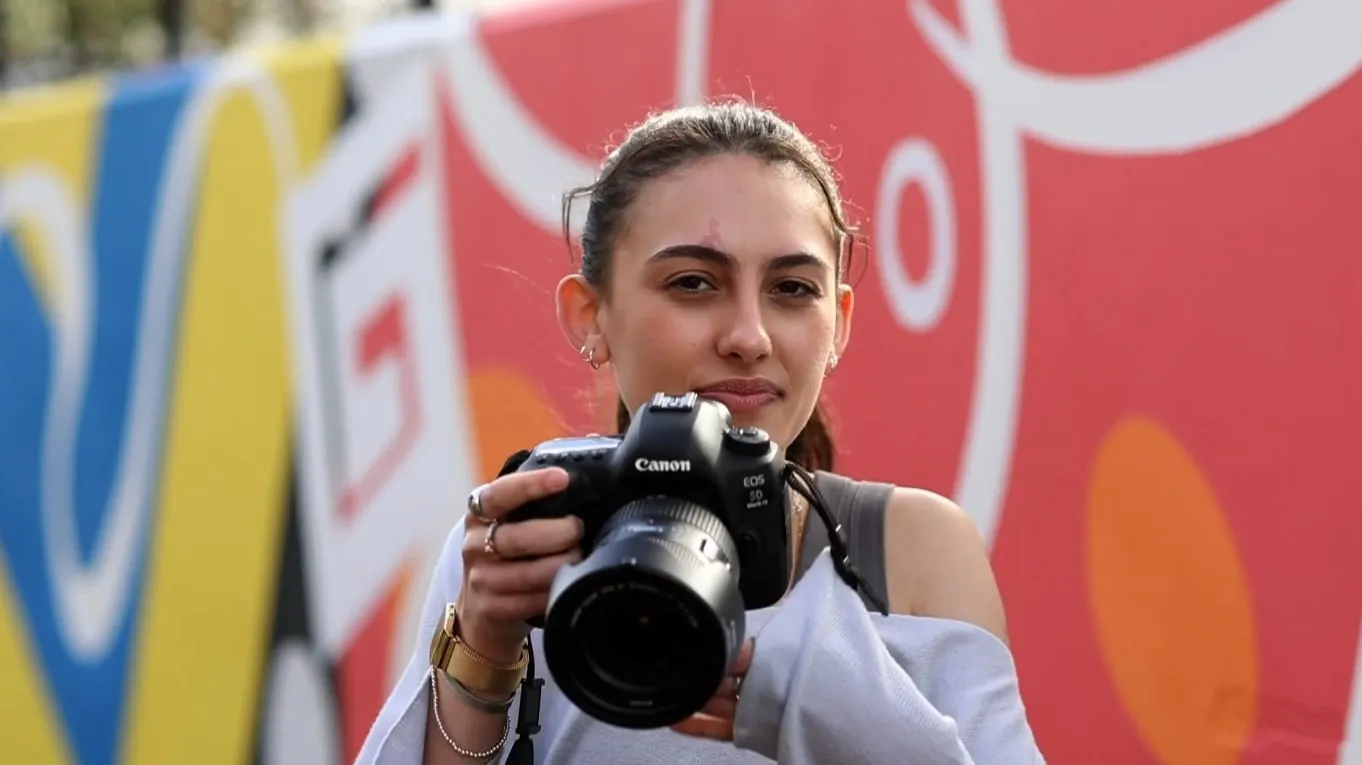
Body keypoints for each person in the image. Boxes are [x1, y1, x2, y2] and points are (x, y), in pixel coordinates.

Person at [358, 100, 1044, 764]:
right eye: (692, 283)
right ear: (589, 315)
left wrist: (837, 706)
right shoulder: (522, 534)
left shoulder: (908, 550)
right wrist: (480, 654)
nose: (748, 335)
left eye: (792, 289)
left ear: (840, 320)